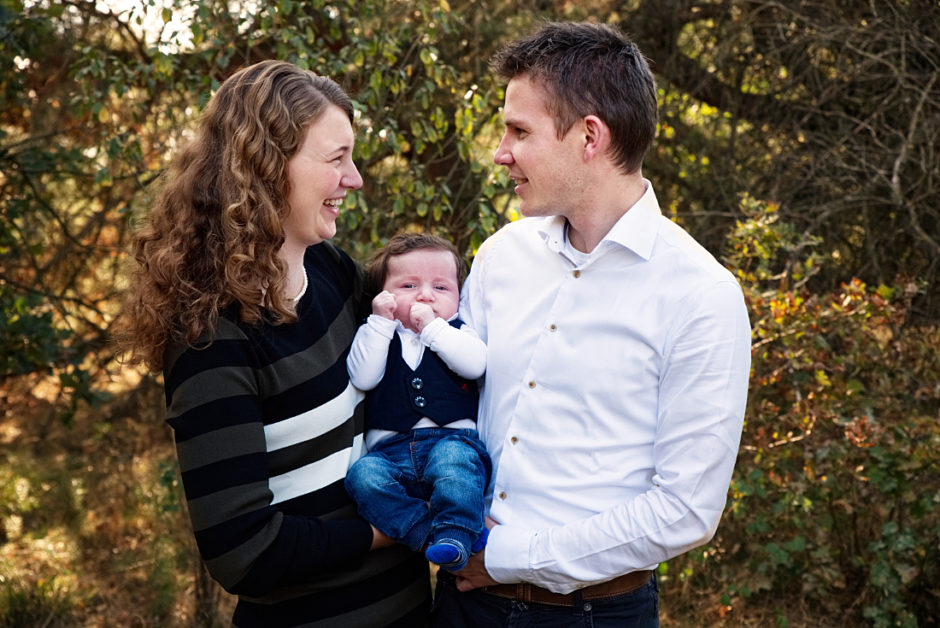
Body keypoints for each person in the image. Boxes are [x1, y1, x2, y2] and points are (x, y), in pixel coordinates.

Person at [431, 21, 752, 627]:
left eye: (519, 131)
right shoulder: (502, 255)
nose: (501, 152)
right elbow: (453, 402)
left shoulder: (701, 296)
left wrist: (507, 557)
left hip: (594, 616)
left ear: (589, 137)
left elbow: (684, 510)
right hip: (461, 605)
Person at [118, 60, 431, 627]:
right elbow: (245, 553)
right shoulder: (212, 340)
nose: (355, 178)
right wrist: (393, 529)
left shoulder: (335, 275)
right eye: (337, 159)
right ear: (265, 167)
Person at [344, 232, 491, 571]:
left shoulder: (457, 331)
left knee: (456, 467)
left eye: (441, 288)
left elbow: (476, 364)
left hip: (451, 440)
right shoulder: (377, 332)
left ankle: (456, 530)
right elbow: (363, 377)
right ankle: (427, 535)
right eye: (408, 286)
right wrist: (381, 321)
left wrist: (433, 330)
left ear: (458, 296)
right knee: (362, 478)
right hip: (389, 453)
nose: (425, 295)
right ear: (383, 294)